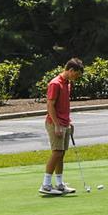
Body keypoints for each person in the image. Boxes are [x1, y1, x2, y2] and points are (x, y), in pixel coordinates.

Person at [41, 57, 82, 197]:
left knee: (62, 154)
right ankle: (46, 184)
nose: (76, 78)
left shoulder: (67, 84)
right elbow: (50, 105)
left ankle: (59, 184)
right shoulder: (55, 84)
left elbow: (63, 106)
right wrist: (57, 125)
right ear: (71, 70)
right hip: (54, 123)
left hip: (64, 123)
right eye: (76, 74)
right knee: (57, 152)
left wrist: (68, 122)